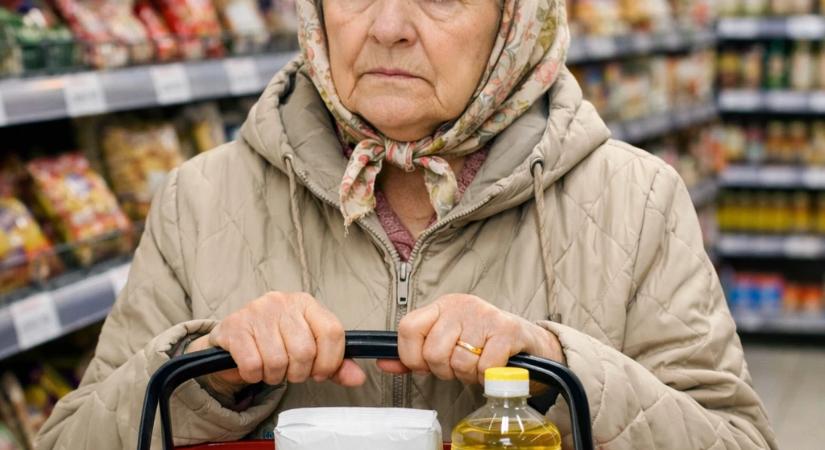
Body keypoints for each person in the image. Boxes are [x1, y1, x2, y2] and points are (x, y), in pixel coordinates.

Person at [37, 0, 777, 448]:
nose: (387, 27)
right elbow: (71, 442)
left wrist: (556, 364)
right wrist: (206, 372)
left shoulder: (635, 200)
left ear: (511, 23)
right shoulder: (200, 198)